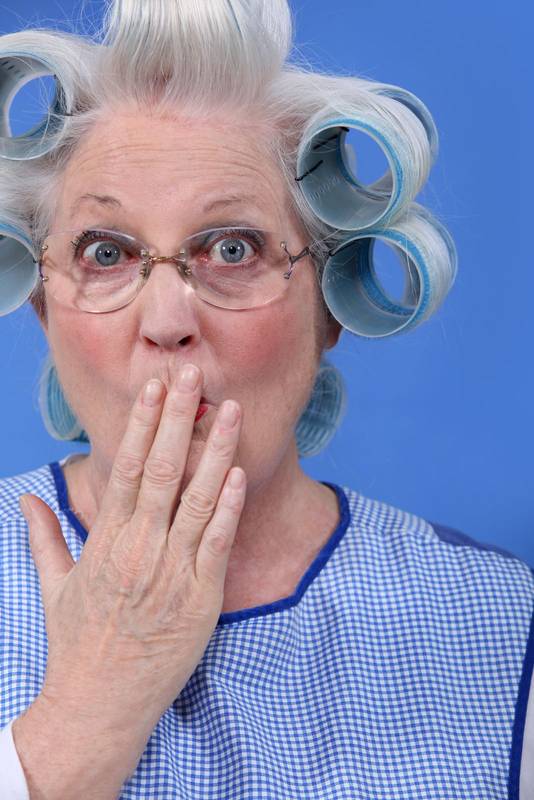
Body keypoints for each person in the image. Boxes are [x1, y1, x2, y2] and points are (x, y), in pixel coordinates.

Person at [0, 1, 532, 797]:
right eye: (105, 253)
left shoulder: (494, 623)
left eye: (232, 248)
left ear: (329, 307)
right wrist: (86, 715)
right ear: (44, 305)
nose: (168, 321)